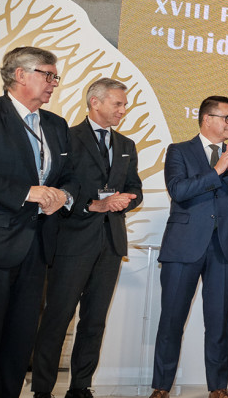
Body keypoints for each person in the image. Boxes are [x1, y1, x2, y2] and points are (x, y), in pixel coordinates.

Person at [0, 46, 76, 398]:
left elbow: (72, 177)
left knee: (19, 342)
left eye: (55, 77)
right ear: (19, 75)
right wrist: (25, 192)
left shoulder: (57, 125)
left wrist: (63, 196)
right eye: (48, 75)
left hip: (37, 248)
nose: (53, 84)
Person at [32, 78, 144, 398]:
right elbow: (58, 187)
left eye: (124, 104)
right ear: (95, 103)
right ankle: (42, 389)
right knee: (58, 320)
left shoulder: (126, 145)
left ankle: (81, 387)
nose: (124, 109)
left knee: (94, 322)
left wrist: (126, 199)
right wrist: (92, 204)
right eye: (118, 103)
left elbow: (135, 190)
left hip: (110, 245)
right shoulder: (67, 137)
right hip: (71, 242)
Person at [149, 96, 228, 398]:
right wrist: (217, 170)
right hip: (183, 246)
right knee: (171, 320)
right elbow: (179, 191)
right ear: (207, 119)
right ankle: (161, 387)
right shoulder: (179, 151)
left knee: (219, 322)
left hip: (225, 247)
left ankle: (218, 387)